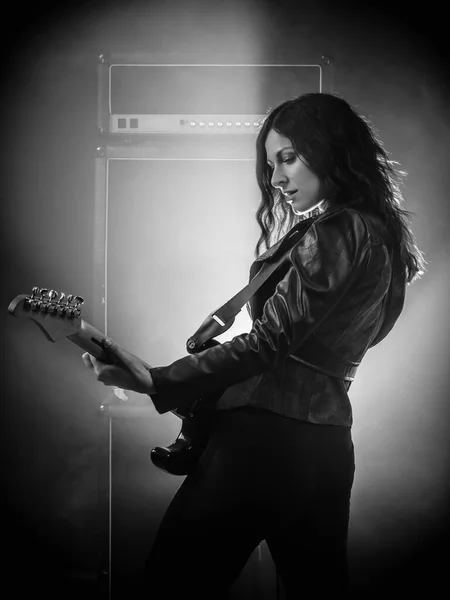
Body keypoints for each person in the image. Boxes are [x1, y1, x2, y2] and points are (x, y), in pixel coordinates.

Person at [82, 92, 425, 598]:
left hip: (260, 444)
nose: (276, 178)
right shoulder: (385, 240)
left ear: (330, 149)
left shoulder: (337, 231)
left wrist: (159, 379)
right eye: (270, 164)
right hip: (327, 450)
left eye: (288, 157)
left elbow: (268, 345)